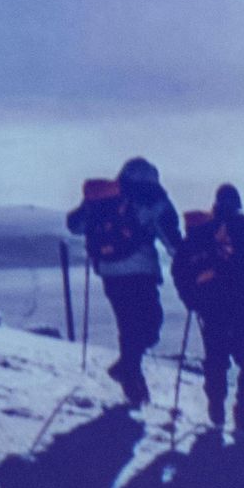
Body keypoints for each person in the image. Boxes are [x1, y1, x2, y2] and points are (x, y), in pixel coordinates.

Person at [173, 183, 244, 433]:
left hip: (211, 306)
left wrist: (191, 298)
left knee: (216, 357)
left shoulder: (202, 232)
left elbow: (179, 266)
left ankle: (216, 404)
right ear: (237, 203)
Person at [66, 157, 182, 407]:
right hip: (140, 270)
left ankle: (131, 377)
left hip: (109, 271)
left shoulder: (104, 197)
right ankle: (129, 370)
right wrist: (184, 259)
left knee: (128, 323)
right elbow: (170, 237)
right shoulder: (153, 198)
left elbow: (75, 226)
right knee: (150, 323)